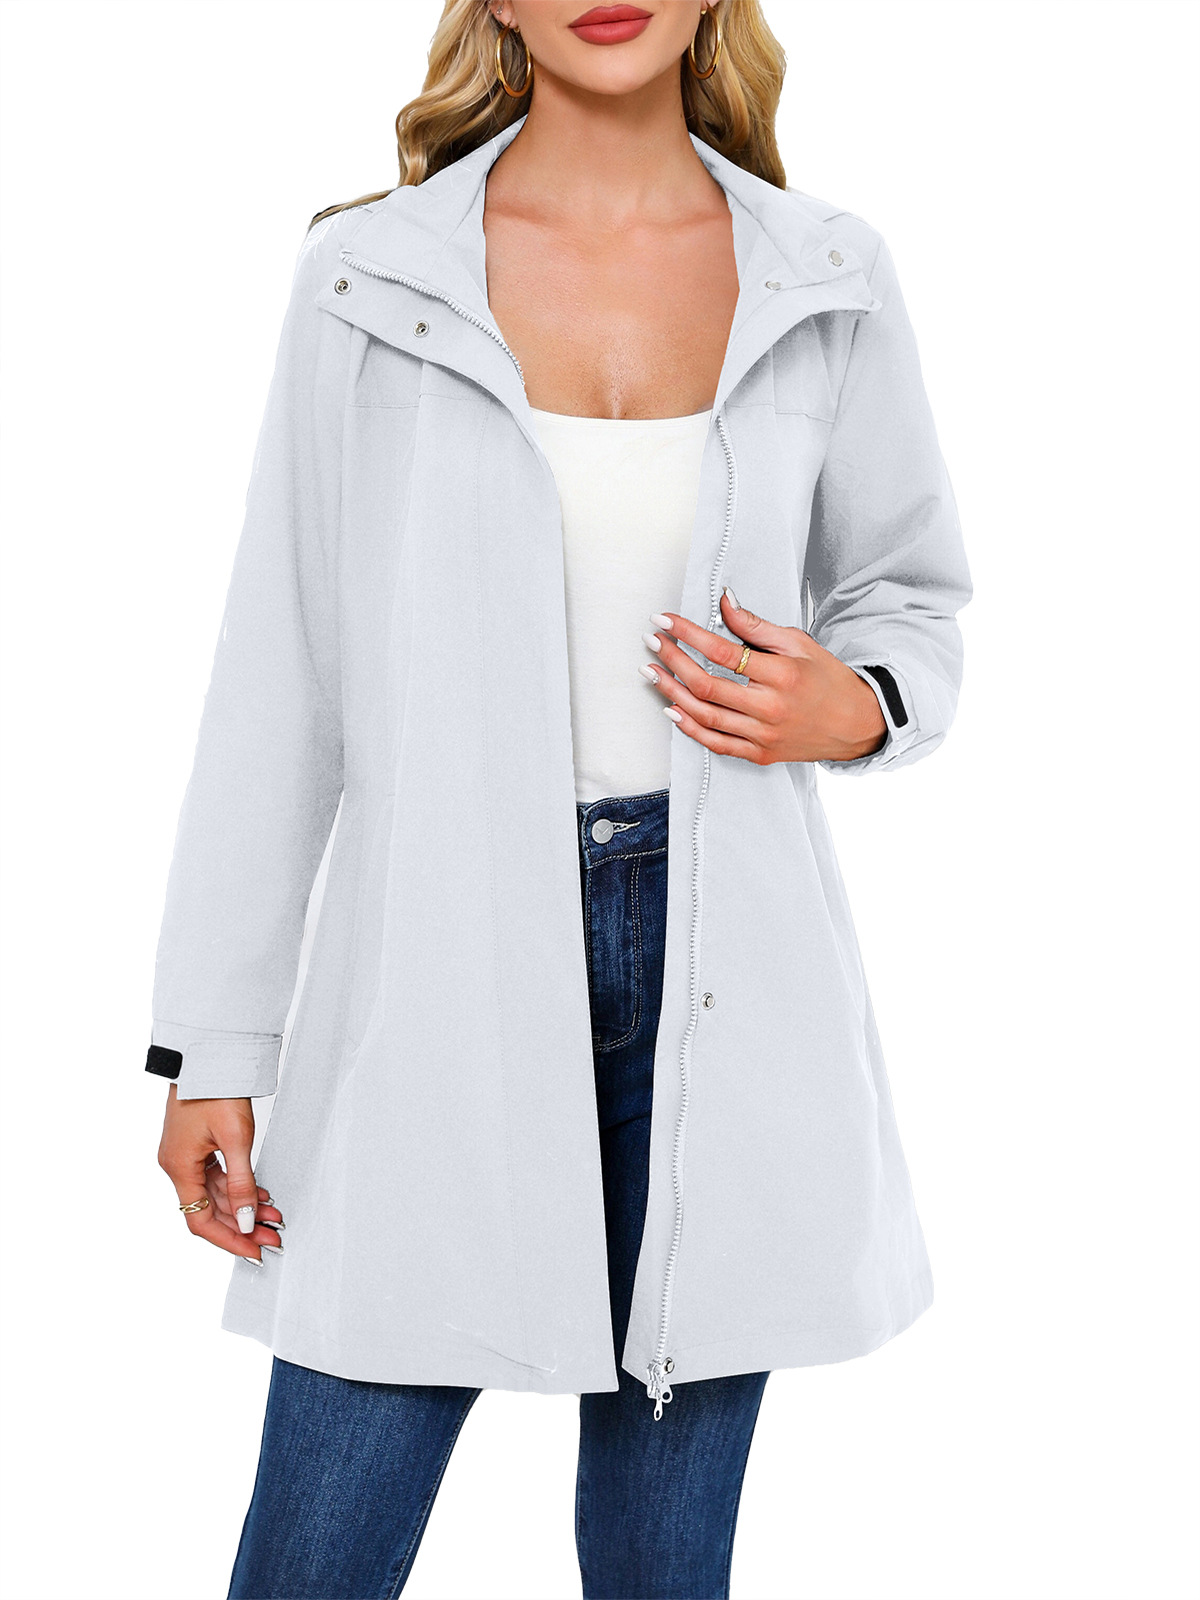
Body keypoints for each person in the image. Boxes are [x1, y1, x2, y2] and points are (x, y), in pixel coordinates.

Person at [146, 2, 973, 1595]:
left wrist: (860, 702)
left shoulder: (824, 273)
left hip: (729, 985)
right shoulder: (371, 277)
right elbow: (283, 676)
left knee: (664, 1568)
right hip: (435, 968)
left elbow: (908, 596)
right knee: (315, 1550)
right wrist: (215, 1045)